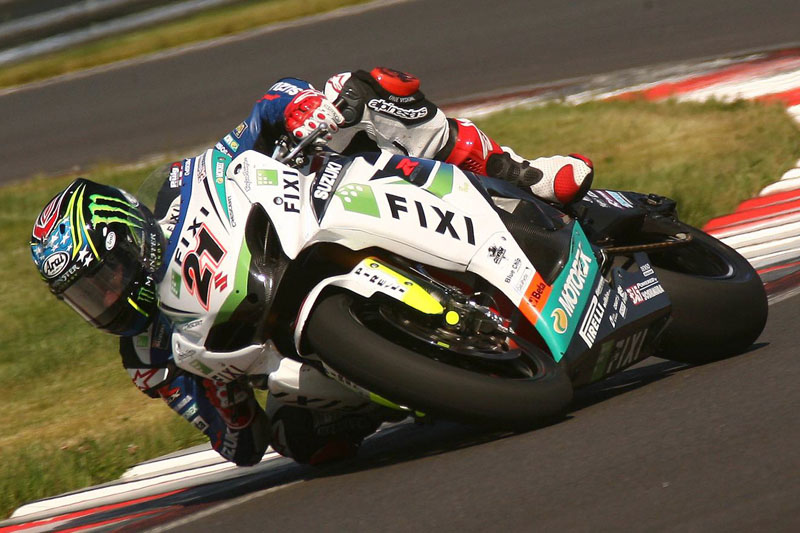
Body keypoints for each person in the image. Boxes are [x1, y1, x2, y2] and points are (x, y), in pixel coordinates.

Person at [30, 67, 594, 467]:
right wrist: (227, 403)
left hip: (313, 217)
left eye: (104, 278)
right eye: (87, 297)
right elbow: (240, 447)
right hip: (288, 358)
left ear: (130, 238)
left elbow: (268, 106)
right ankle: (419, 381)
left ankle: (522, 174)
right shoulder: (145, 356)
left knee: (369, 89)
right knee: (302, 441)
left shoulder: (181, 187)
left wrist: (303, 111)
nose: (106, 300)